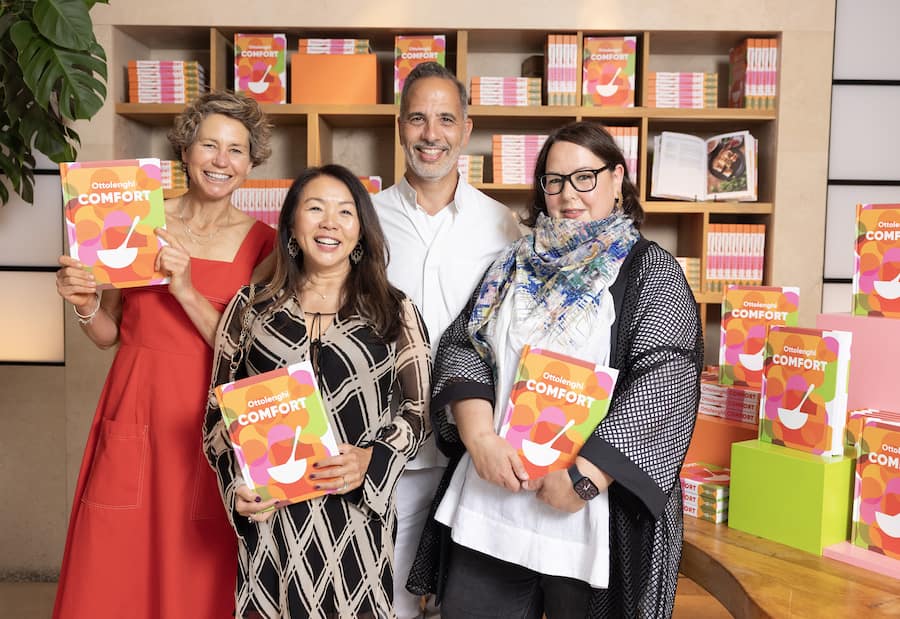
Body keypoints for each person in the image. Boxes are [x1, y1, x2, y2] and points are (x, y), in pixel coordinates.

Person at [410, 121, 704, 618]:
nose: (569, 194)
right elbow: (464, 345)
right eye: (554, 180)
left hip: (586, 517)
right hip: (493, 506)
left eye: (584, 177)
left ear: (616, 180)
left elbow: (666, 379)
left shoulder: (651, 270)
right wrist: (480, 440)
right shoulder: (513, 263)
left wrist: (585, 479)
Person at [52, 91, 276, 618]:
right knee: (114, 568)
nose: (222, 161)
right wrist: (85, 306)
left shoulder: (266, 245)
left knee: (199, 573)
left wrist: (186, 289)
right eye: (209, 145)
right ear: (185, 150)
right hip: (134, 413)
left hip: (210, 425)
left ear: (251, 162)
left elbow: (253, 351)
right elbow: (110, 333)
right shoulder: (132, 218)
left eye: (237, 150)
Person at [203, 164, 432, 618]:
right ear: (291, 225)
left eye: (346, 212)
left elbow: (418, 411)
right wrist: (236, 487)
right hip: (272, 522)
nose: (330, 223)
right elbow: (215, 418)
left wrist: (373, 458)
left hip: (355, 523)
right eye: (315, 209)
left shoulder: (394, 309)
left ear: (361, 231)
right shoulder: (250, 309)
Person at [373, 61, 522, 618]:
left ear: (466, 128)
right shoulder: (364, 218)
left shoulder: (504, 226)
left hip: (480, 452)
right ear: (399, 125)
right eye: (417, 118)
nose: (430, 134)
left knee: (470, 604)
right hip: (392, 450)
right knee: (394, 600)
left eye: (444, 119)